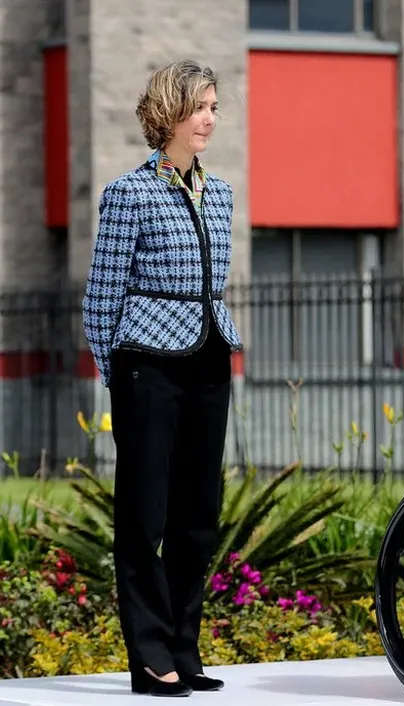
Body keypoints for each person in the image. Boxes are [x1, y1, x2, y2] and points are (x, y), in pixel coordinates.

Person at [82, 60, 242, 697]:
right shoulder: (129, 193)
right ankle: (149, 655)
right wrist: (113, 373)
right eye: (199, 106)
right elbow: (102, 296)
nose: (209, 118)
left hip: (209, 356)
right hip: (147, 363)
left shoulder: (221, 191)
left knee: (198, 513)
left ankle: (182, 646)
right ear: (169, 113)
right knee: (144, 514)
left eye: (213, 107)